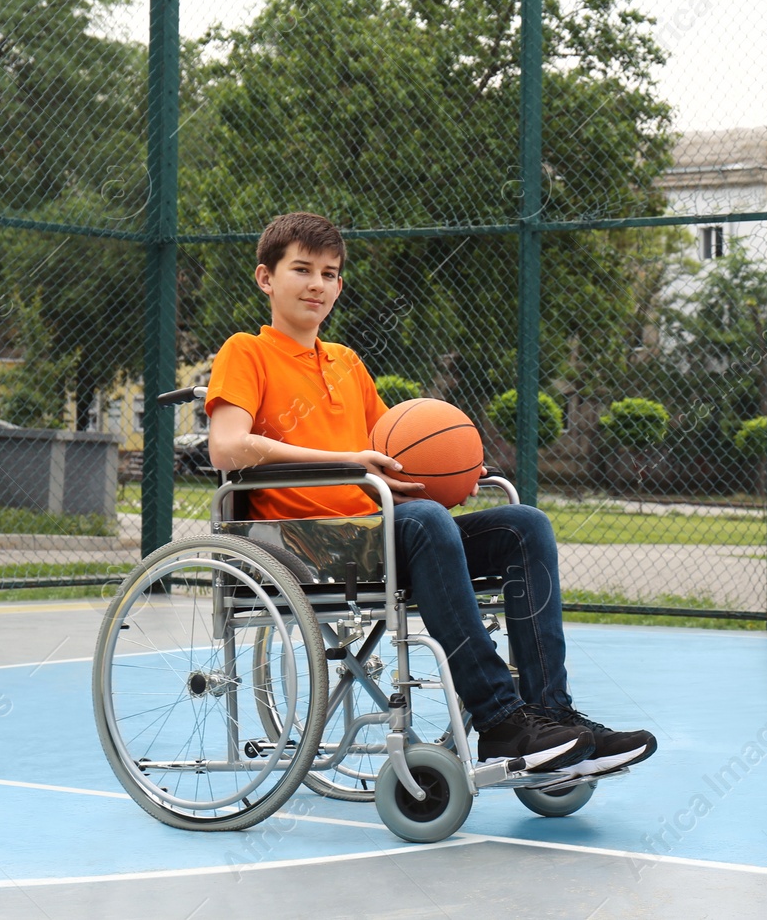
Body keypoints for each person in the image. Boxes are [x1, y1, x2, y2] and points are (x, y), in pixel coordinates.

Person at [205, 212, 655, 775]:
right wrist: (348, 462)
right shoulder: (245, 352)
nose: (318, 284)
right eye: (301, 270)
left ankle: (550, 716)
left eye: (330, 273)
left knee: (524, 526)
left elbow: (390, 456)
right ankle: (500, 721)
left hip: (378, 534)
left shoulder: (347, 364)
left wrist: (448, 473)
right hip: (303, 544)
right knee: (423, 521)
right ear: (266, 278)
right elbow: (226, 446)